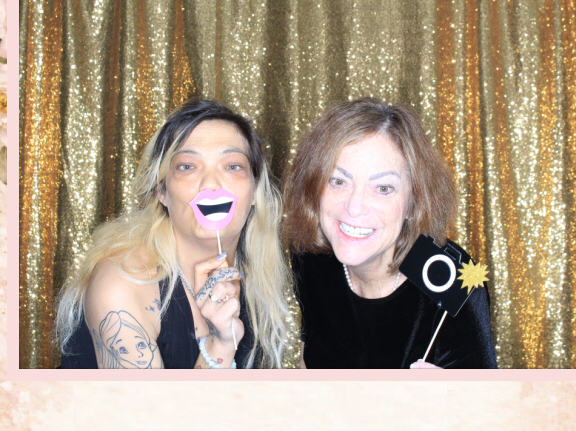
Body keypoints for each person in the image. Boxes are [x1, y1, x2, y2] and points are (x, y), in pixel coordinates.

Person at [57, 99, 294, 370]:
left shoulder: (253, 273)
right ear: (162, 192)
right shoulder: (123, 283)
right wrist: (220, 343)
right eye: (187, 166)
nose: (211, 184)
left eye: (232, 166)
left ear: (254, 192)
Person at [284, 99, 497, 371]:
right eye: (338, 181)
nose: (354, 207)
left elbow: (482, 395)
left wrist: (450, 395)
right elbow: (309, 363)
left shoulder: (453, 281)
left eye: (383, 188)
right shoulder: (309, 255)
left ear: (413, 203)